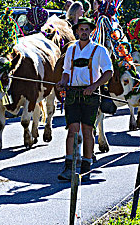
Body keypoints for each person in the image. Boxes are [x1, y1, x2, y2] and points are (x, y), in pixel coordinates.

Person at [56, 17, 113, 182]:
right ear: (76, 31)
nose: (84, 32)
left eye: (87, 29)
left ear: (91, 31)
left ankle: (86, 167)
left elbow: (108, 72)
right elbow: (66, 72)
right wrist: (63, 82)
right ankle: (69, 167)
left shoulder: (99, 50)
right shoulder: (71, 50)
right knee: (72, 130)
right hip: (73, 94)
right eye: (81, 29)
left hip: (91, 95)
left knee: (88, 131)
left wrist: (94, 86)